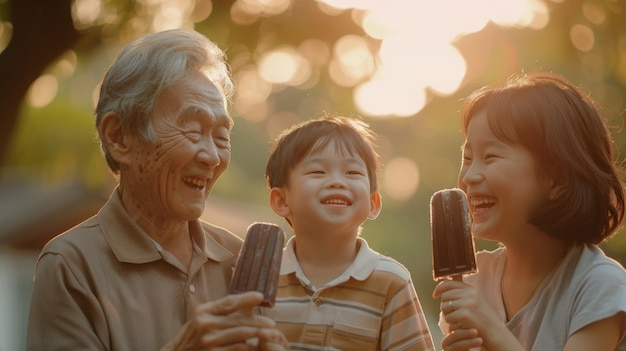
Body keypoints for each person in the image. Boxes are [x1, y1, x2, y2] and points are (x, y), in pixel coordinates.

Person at [26, 29, 288, 351]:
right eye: (193, 130)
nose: (212, 156)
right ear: (119, 137)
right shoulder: (71, 264)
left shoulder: (237, 258)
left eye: (221, 136)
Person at [432, 71, 626, 351]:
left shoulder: (599, 286)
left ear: (557, 180)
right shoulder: (475, 280)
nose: (470, 176)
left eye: (491, 157)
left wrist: (490, 328)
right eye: (468, 158)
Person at [260, 115, 435, 350]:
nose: (337, 182)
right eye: (318, 172)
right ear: (281, 200)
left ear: (373, 202)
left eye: (352, 173)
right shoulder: (262, 276)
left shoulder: (391, 281)